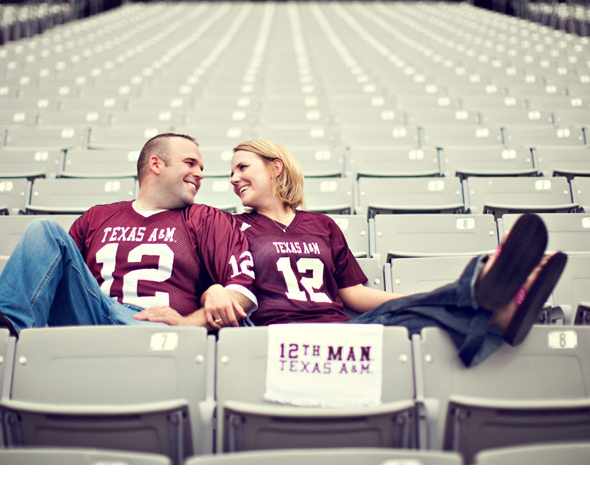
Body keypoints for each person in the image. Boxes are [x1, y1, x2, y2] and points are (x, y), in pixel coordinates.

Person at [227, 140, 568, 367]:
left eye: (242, 167)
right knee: (428, 311)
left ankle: (495, 306)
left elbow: (354, 294)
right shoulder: (230, 227)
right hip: (280, 336)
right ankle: (491, 300)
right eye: (231, 172)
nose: (233, 178)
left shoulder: (321, 225)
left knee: (413, 316)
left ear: (275, 168)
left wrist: (418, 300)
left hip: (347, 331)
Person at [0, 133, 256, 335]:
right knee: (42, 230)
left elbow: (241, 293)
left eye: (201, 167)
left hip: (155, 328)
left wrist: (188, 324)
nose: (201, 173)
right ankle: (6, 333)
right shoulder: (98, 217)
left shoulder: (205, 219)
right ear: (156, 164)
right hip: (93, 317)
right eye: (190, 163)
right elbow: (60, 276)